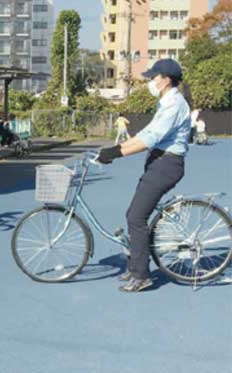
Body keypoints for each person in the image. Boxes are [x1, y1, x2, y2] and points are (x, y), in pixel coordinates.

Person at [96, 59, 191, 293]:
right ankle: (135, 265)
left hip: (166, 165)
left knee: (136, 218)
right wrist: (115, 150)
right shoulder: (166, 101)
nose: (150, 81)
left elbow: (149, 139)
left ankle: (141, 276)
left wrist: (115, 152)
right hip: (159, 163)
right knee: (134, 214)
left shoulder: (174, 105)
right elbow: (144, 133)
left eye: (153, 76)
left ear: (166, 80)